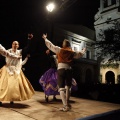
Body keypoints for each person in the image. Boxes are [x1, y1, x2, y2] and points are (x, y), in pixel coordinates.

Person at [42, 34, 86, 112]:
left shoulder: (60, 50)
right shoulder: (72, 52)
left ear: (63, 44)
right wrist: (83, 50)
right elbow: (79, 54)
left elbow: (51, 46)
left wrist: (45, 39)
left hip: (61, 69)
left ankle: (65, 106)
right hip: (69, 69)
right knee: (68, 87)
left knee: (61, 88)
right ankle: (67, 103)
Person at [0, 34, 35, 106]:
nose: (14, 45)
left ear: (18, 46)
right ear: (12, 45)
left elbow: (27, 48)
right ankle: (1, 99)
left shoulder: (19, 52)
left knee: (14, 86)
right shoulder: (8, 51)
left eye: (16, 44)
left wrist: (29, 40)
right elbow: (5, 54)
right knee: (3, 85)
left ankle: (12, 99)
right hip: (7, 69)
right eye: (13, 44)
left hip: (16, 70)